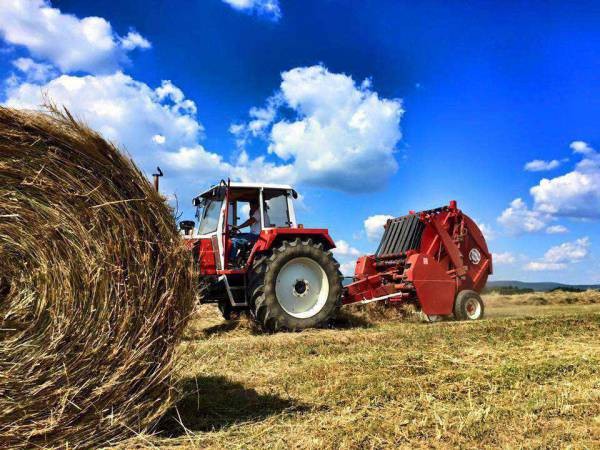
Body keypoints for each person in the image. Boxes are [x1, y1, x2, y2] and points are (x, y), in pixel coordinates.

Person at [229, 199, 270, 263]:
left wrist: (238, 227)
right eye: (250, 205)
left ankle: (231, 261)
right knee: (236, 236)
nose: (250, 207)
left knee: (234, 241)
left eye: (251, 205)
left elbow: (250, 221)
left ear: (256, 204)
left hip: (257, 236)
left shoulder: (259, 211)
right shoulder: (259, 212)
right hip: (254, 234)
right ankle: (240, 257)